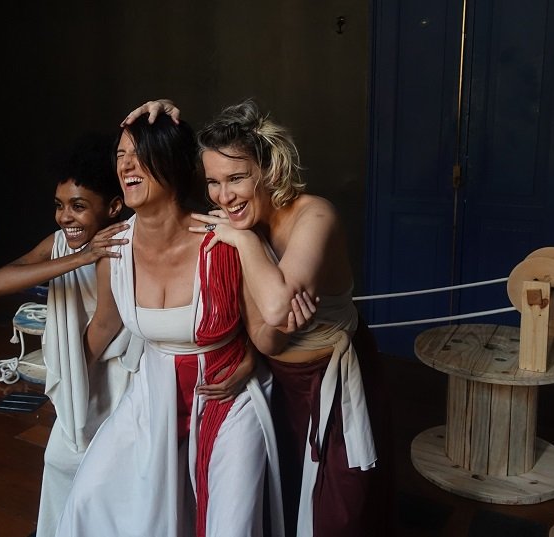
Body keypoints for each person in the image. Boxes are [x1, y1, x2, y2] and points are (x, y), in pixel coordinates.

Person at [124, 98, 393, 537]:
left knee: (339, 515)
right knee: (284, 503)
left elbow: (274, 311)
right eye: (213, 182)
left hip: (336, 379)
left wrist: (245, 243)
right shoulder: (237, 223)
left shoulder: (315, 215)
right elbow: (269, 338)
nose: (223, 196)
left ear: (269, 169)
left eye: (236, 178)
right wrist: (161, 111)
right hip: (280, 382)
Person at [55, 113, 312, 537]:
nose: (125, 165)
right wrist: (64, 388)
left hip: (228, 395)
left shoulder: (224, 240)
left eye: (139, 154)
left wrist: (253, 354)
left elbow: (262, 330)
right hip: (152, 395)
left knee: (231, 525)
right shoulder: (114, 248)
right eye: (120, 155)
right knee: (89, 500)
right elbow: (102, 328)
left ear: (172, 163)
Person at [0, 133, 136, 537]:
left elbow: (106, 325)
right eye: (59, 205)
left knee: (101, 471)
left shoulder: (121, 244)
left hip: (113, 374)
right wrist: (80, 257)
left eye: (78, 206)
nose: (65, 216)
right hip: (81, 371)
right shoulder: (62, 245)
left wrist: (71, 380)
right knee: (62, 463)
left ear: (113, 207)